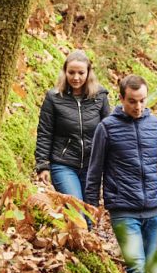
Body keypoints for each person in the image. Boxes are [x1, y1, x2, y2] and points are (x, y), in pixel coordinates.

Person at [84, 74, 157, 273]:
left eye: (142, 100)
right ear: (121, 98)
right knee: (136, 268)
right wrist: (90, 209)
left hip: (152, 209)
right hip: (123, 210)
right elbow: (94, 171)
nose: (138, 106)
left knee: (146, 270)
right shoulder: (106, 128)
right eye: (132, 101)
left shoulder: (154, 124)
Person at [34, 50, 111, 218]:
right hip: (63, 164)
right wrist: (42, 165)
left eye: (81, 73)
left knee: (89, 216)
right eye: (71, 72)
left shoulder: (100, 97)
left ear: (88, 73)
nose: (76, 77)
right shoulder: (53, 97)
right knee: (77, 211)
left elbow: (109, 131)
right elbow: (45, 132)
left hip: (92, 166)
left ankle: (79, 243)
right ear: (65, 72)